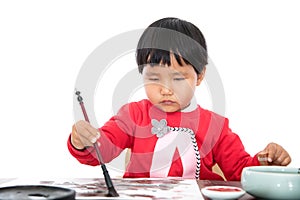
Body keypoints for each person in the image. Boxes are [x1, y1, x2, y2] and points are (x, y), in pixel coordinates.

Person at [68, 17, 291, 180]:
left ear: (200, 75)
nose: (166, 89)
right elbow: (102, 150)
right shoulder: (133, 114)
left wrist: (264, 161)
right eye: (154, 77)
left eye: (177, 78)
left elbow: (239, 171)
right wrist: (84, 141)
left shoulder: (216, 126)